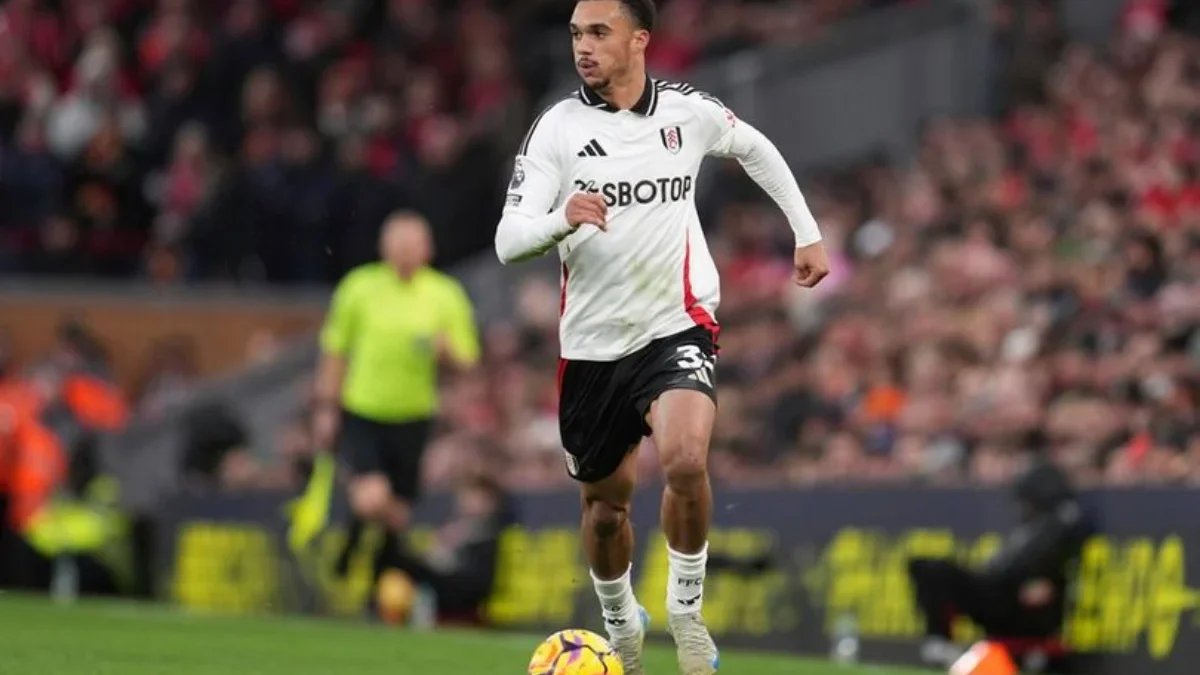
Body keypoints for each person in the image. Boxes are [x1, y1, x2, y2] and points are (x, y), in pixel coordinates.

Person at [493, 1, 829, 672]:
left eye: (597, 33)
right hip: (592, 346)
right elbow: (508, 241)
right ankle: (622, 619)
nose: (582, 47)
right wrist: (561, 219)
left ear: (639, 39)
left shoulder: (686, 112)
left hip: (677, 323)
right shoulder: (557, 129)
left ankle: (686, 612)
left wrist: (806, 229)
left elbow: (753, 146)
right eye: (575, 35)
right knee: (607, 510)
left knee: (683, 458)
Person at [313, 211, 480, 599]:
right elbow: (335, 350)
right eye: (398, 245)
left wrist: (446, 351)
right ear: (384, 247)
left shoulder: (444, 294)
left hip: (415, 416)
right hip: (364, 410)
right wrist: (326, 407)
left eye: (413, 245)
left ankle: (377, 583)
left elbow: (469, 360)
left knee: (398, 513)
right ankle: (354, 548)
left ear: (428, 249)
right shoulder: (360, 287)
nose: (405, 253)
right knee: (371, 497)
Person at [908, 457, 1091, 669]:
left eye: (1027, 500)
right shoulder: (1030, 527)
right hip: (999, 592)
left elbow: (1038, 570)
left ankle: (944, 647)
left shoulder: (1061, 524)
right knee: (925, 566)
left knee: (937, 570)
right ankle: (939, 643)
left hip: (1022, 607)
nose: (1024, 506)